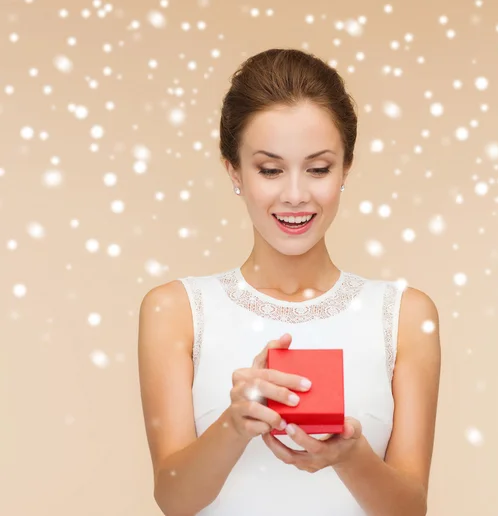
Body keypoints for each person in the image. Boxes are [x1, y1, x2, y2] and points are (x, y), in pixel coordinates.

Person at [138, 48, 441, 516]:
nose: (296, 195)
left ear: (346, 170)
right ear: (234, 171)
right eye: (271, 169)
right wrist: (235, 425)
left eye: (318, 169)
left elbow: (410, 509)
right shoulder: (175, 310)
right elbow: (174, 500)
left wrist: (351, 455)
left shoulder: (404, 314)